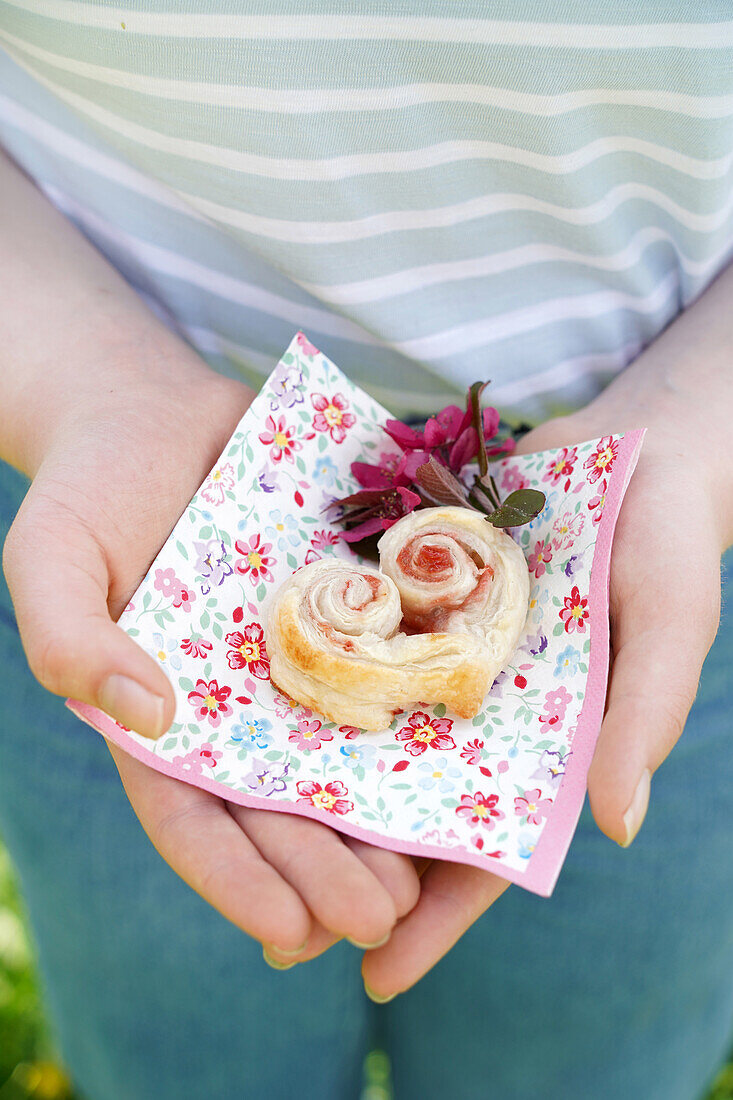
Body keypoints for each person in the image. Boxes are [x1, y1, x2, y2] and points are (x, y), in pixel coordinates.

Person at [0, 5, 731, 1099]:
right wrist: (73, 370)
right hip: (137, 559)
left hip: (656, 559)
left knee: (583, 1064)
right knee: (186, 1063)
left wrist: (702, 426)